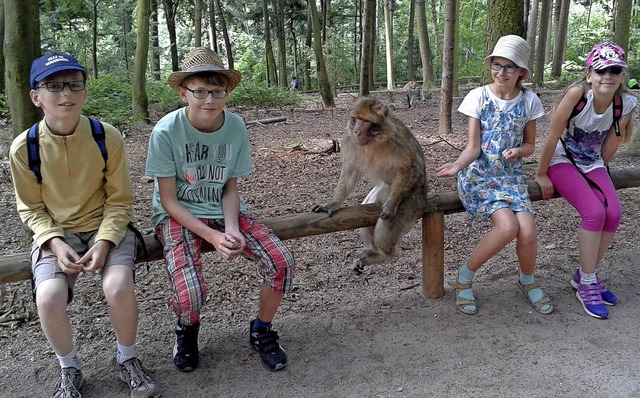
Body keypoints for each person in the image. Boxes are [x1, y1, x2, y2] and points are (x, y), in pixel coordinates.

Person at [8, 53, 159, 398]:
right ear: (36, 96)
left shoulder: (106, 137)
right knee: (48, 297)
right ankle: (69, 367)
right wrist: (54, 243)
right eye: (54, 85)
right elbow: (31, 209)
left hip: (106, 225)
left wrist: (105, 242)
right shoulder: (24, 148)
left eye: (75, 84)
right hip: (57, 233)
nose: (66, 94)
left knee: (118, 286)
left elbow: (120, 200)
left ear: (84, 91)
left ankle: (128, 358)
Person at [145, 47, 295, 373]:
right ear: (183, 93)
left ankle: (262, 330)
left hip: (220, 207)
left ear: (228, 93)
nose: (209, 100)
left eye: (217, 91)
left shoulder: (236, 126)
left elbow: (229, 187)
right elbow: (168, 201)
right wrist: (212, 236)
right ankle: (187, 332)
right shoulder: (166, 132)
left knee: (280, 262)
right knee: (190, 296)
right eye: (200, 92)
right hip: (177, 214)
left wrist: (231, 228)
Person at [435, 35, 552, 316]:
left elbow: (530, 145)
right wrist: (456, 166)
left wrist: (518, 152)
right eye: (496, 65)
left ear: (521, 72)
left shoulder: (529, 101)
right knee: (507, 227)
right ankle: (463, 278)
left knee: (528, 230)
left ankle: (526, 280)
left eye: (509, 67)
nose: (501, 72)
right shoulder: (479, 96)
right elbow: (473, 147)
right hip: (479, 176)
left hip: (510, 177)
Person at [535, 41, 637, 319]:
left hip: (592, 163)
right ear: (590, 74)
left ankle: (584, 275)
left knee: (613, 213)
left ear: (622, 75)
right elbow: (552, 137)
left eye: (615, 70)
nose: (608, 76)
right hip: (561, 160)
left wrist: (601, 174)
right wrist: (542, 174)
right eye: (601, 70)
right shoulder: (577, 94)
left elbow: (609, 146)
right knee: (594, 212)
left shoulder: (626, 103)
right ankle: (588, 283)